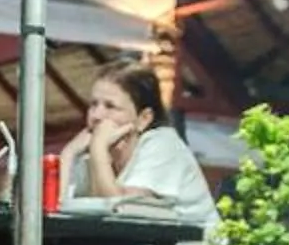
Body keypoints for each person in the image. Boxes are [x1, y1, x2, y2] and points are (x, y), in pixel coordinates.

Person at [58, 62, 214, 214]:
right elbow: (55, 208)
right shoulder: (89, 157)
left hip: (195, 240)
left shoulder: (162, 144)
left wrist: (98, 148)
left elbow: (119, 211)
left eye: (110, 106)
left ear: (143, 119)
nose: (96, 116)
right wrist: (68, 154)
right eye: (93, 104)